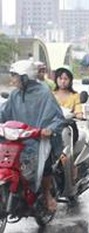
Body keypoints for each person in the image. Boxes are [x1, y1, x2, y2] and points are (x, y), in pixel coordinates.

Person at [0, 60, 64, 212]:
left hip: (38, 140)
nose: (12, 80)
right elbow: (3, 113)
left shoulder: (44, 93)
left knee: (45, 163)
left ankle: (47, 195)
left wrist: (48, 130)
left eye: (15, 76)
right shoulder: (15, 94)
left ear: (25, 77)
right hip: (16, 140)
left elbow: (57, 118)